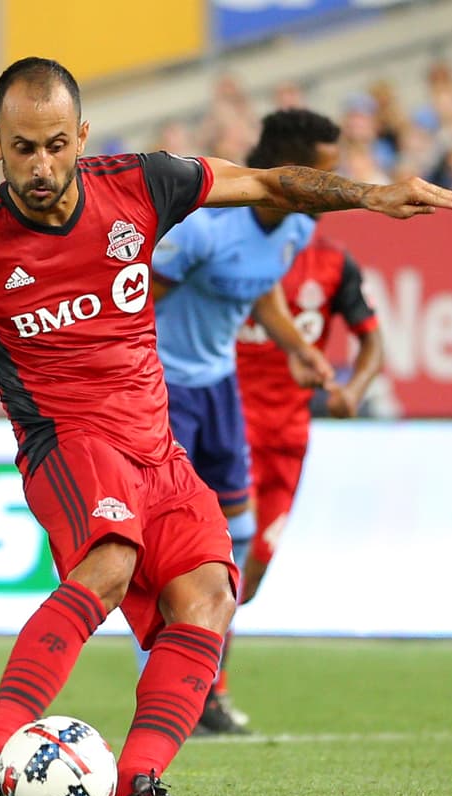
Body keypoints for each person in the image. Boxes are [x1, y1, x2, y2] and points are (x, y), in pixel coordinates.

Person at [0, 57, 452, 796]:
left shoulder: (143, 184)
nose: (41, 165)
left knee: (211, 596)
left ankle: (138, 785)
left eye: (56, 145)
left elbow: (266, 184)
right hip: (67, 443)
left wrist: (370, 196)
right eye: (23, 148)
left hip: (158, 449)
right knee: (112, 561)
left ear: (83, 135)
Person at [145, 109, 342, 735]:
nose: (334, 188)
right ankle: (176, 693)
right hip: (167, 391)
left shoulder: (298, 228)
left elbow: (262, 290)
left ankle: (206, 682)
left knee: (242, 538)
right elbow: (139, 301)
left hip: (220, 389)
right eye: (326, 173)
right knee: (173, 550)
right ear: (294, 171)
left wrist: (297, 347)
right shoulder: (205, 228)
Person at [234, 237, 385, 637]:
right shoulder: (236, 245)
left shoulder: (334, 262)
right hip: (230, 432)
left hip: (288, 440)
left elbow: (373, 339)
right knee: (227, 557)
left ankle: (197, 660)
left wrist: (353, 391)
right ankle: (207, 675)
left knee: (251, 575)